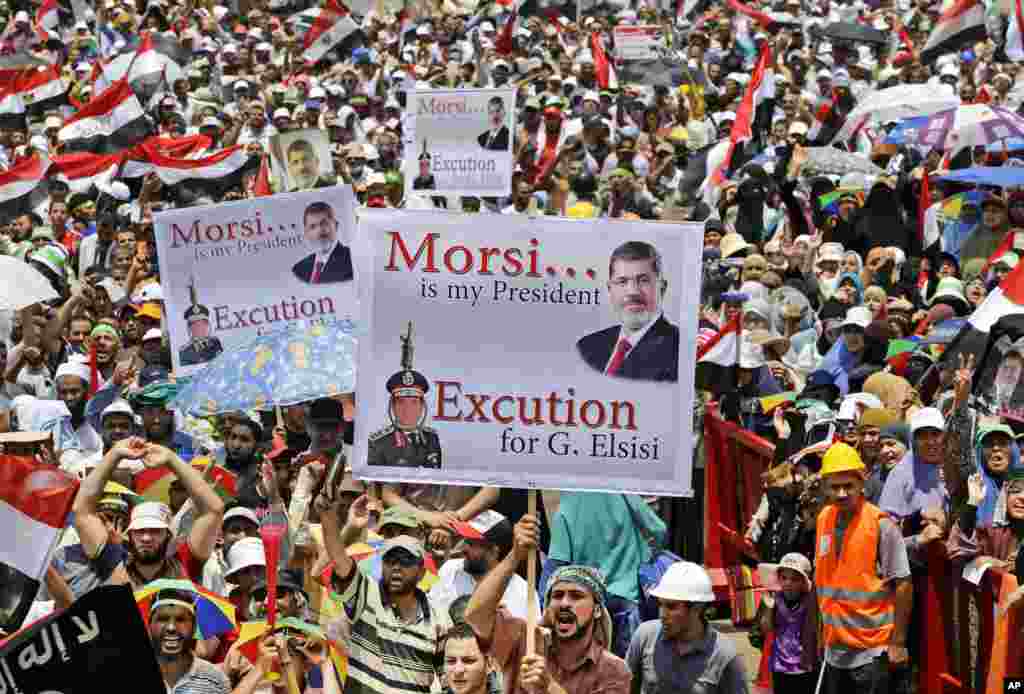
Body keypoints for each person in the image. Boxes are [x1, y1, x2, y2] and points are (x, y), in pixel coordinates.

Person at [465, 513, 631, 694]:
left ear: (597, 610)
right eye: (558, 595)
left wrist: (549, 687)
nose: (565, 603)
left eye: (576, 596)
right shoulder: (524, 640)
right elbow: (475, 615)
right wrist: (515, 555)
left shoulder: (614, 670)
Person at [316, 491, 451, 694]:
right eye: (390, 560)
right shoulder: (365, 595)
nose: (396, 567)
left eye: (405, 560)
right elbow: (338, 558)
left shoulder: (440, 620)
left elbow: (450, 679)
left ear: (421, 571)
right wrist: (328, 515)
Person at [815, 442, 912, 694]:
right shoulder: (824, 518)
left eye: (849, 485)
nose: (842, 493)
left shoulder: (881, 525)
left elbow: (902, 583)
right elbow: (824, 581)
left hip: (871, 651)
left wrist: (898, 642)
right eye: (834, 487)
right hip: (834, 646)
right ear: (825, 487)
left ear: (862, 484)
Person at [72, 437, 225, 589]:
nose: (146, 538)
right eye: (139, 531)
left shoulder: (184, 566)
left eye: (155, 531)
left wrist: (171, 459)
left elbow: (214, 510)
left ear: (168, 535)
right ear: (129, 535)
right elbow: (82, 511)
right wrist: (114, 454)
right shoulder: (113, 564)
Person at [628, 561, 750, 694]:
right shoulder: (644, 637)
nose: (662, 614)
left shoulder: (724, 655)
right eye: (660, 605)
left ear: (697, 608)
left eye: (671, 607)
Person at [576, 241, 679, 382]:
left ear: (662, 287)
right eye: (622, 281)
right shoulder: (587, 346)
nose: (632, 292)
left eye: (643, 280)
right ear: (610, 289)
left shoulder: (680, 350)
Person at [430, 509, 538, 620]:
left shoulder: (524, 592)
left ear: (494, 552)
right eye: (466, 541)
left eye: (471, 544)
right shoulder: (448, 568)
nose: (464, 549)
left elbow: (533, 634)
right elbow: (426, 600)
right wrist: (431, 561)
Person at [369, 324, 443, 469]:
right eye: (401, 402)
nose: (407, 409)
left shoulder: (432, 439)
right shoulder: (378, 443)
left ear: (423, 406)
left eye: (414, 402)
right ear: (392, 406)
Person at [757, 553, 819, 694]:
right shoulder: (775, 598)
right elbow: (766, 629)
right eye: (784, 578)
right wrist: (768, 608)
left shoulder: (810, 601)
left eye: (794, 579)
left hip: (804, 664)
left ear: (803, 582)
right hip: (780, 664)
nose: (788, 583)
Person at [148, 589, 230, 694]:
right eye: (163, 619)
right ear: (150, 624)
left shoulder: (216, 680)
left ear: (194, 627)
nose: (171, 627)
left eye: (181, 620)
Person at [291, 201, 354, 285]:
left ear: (336, 225)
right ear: (306, 233)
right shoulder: (299, 269)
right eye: (313, 226)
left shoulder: (353, 259)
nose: (319, 231)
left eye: (324, 223)